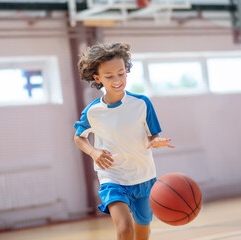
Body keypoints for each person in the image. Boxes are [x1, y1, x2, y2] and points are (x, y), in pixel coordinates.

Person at [73, 42, 175, 240]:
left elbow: (153, 134)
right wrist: (94, 152)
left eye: (121, 73)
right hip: (113, 177)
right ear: (98, 78)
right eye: (109, 76)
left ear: (126, 71)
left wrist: (156, 141)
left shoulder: (142, 103)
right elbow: (78, 137)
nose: (117, 80)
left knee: (142, 234)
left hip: (143, 177)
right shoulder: (93, 112)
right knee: (125, 230)